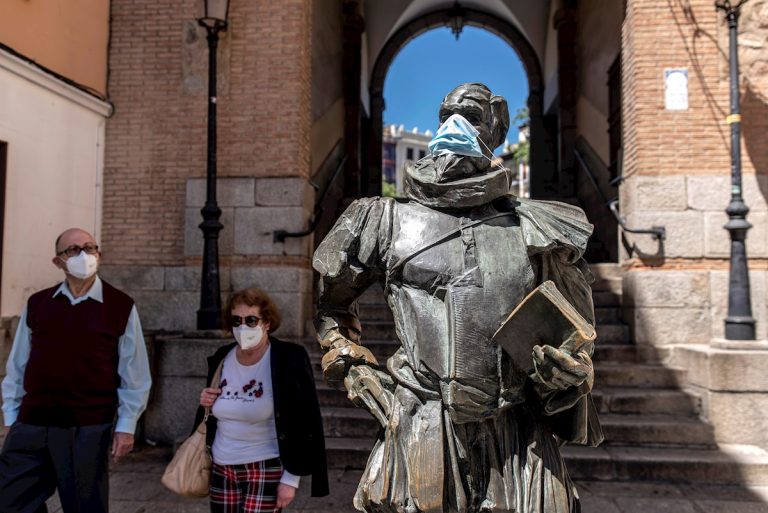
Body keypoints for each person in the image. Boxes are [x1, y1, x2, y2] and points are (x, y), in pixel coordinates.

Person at [313, 83, 603, 513]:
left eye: (470, 117)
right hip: (422, 420)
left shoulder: (539, 230)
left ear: (493, 131)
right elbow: (330, 309)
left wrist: (570, 375)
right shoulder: (383, 220)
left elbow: (578, 340)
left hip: (516, 435)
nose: (454, 127)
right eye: (447, 115)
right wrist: (353, 366)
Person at [0, 227, 152, 513]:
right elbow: (18, 364)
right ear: (58, 261)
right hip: (32, 423)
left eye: (90, 248)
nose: (83, 255)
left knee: (85, 507)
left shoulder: (120, 306)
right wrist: (10, 416)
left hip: (87, 427)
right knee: (10, 502)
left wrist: (126, 426)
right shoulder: (38, 304)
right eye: (73, 250)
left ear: (99, 255)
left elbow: (135, 374)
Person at [196, 288, 329, 512]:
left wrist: (290, 479)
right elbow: (211, 411)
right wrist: (206, 400)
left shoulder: (289, 357)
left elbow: (304, 419)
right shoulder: (222, 356)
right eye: (236, 320)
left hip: (265, 465)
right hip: (222, 466)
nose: (242, 327)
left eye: (251, 320)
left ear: (266, 322)